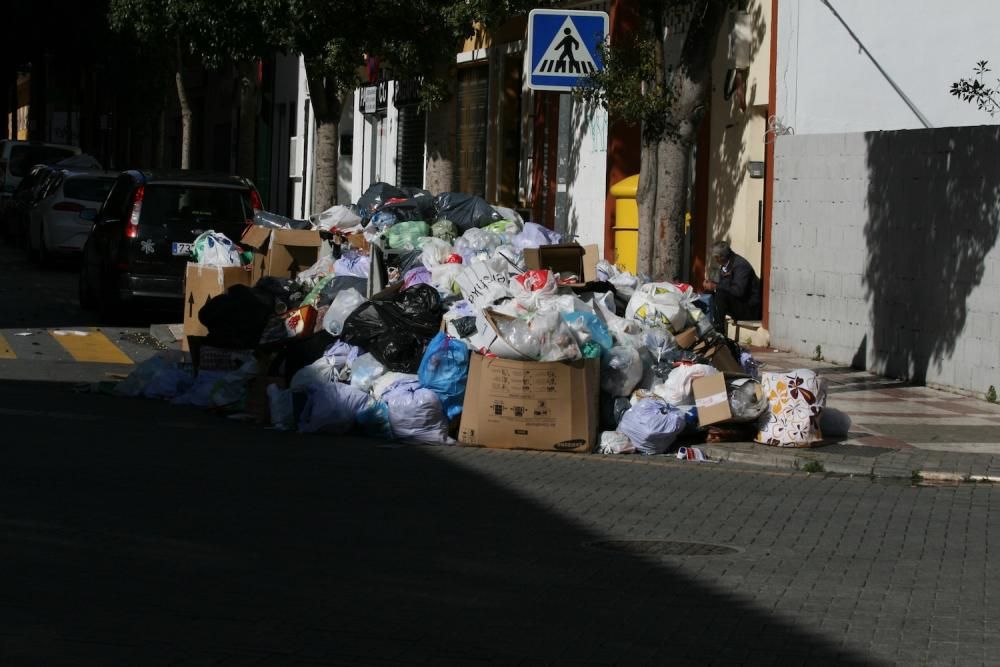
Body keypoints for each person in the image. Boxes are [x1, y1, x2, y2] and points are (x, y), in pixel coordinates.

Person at [701, 241, 762, 334]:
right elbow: (726, 286)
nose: (715, 260)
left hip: (749, 308)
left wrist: (716, 286)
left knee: (720, 293)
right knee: (708, 294)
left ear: (719, 257)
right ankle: (705, 326)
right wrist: (712, 285)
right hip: (738, 304)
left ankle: (719, 331)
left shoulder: (741, 265)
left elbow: (738, 291)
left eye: (715, 258)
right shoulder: (726, 265)